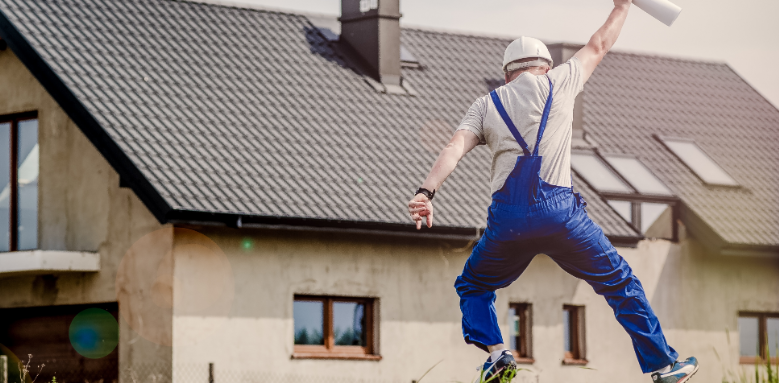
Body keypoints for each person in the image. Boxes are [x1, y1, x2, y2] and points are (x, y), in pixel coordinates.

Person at [407, 1, 699, 382]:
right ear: (544, 66)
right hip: (561, 216)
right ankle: (663, 365)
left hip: (508, 221)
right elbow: (599, 46)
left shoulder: (485, 104)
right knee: (620, 283)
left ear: (507, 74)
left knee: (474, 285)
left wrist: (425, 193)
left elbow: (453, 149)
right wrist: (622, 7)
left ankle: (497, 354)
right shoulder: (560, 81)